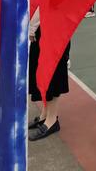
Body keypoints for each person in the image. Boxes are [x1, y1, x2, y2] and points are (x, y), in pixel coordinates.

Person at [28, 8, 70, 141]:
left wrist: (33, 25)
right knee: (41, 70)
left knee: (52, 73)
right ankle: (45, 115)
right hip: (43, 24)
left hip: (55, 26)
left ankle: (52, 120)